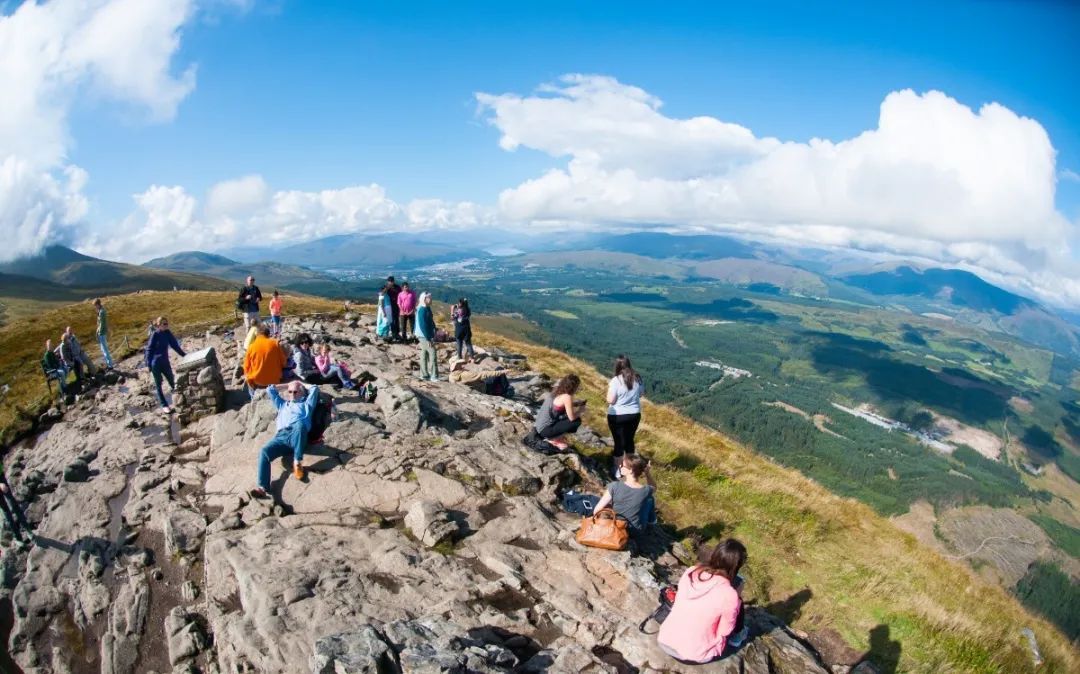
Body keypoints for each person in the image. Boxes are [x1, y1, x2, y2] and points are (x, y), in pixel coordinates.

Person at [657, 539, 749, 664]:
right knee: (738, 606)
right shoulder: (729, 594)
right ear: (736, 567)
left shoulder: (691, 572)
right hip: (693, 655)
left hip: (664, 640)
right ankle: (738, 637)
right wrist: (736, 600)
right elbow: (725, 631)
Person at [251, 380, 320, 498]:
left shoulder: (307, 404)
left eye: (295, 392)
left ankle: (297, 462)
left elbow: (314, 387)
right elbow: (270, 389)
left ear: (302, 393)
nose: (292, 394)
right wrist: (288, 385)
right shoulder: (282, 404)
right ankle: (263, 487)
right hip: (281, 437)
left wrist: (300, 383)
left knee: (299, 425)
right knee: (264, 452)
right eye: (290, 392)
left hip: (297, 434)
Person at [592, 455, 656, 533]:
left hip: (616, 526)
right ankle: (652, 523)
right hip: (635, 531)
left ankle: (651, 523)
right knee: (650, 499)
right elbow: (654, 487)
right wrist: (647, 473)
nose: (620, 466)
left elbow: (596, 511)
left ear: (631, 470)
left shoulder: (614, 486)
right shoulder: (646, 490)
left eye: (622, 465)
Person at [527, 374, 585, 450]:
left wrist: (575, 404)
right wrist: (581, 410)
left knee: (565, 417)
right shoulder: (567, 397)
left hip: (538, 427)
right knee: (576, 421)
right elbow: (572, 418)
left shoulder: (557, 391)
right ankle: (553, 439)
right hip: (545, 430)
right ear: (574, 387)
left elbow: (558, 404)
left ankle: (555, 437)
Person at [607, 354, 643, 478]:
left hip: (618, 416)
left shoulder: (616, 380)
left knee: (619, 442)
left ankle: (617, 469)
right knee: (629, 440)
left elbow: (611, 400)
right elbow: (641, 394)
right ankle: (629, 467)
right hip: (634, 414)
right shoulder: (637, 378)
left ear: (617, 366)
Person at [145, 317, 186, 414]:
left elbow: (175, 345)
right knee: (159, 385)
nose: (166, 325)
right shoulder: (155, 334)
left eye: (167, 323)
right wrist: (148, 365)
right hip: (155, 364)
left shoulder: (168, 333)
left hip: (165, 362)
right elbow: (149, 350)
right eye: (164, 324)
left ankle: (180, 400)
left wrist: (185, 355)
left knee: (172, 381)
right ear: (158, 325)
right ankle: (164, 405)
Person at [244, 324, 286, 397]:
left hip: (258, 381)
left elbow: (246, 367)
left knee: (249, 383)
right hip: (274, 380)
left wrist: (249, 381)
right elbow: (283, 363)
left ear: (257, 335)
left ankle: (254, 398)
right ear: (268, 334)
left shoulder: (251, 347)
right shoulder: (275, 343)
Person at [0, 458, 33, 544]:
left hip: (1, 476)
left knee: (13, 503)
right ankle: (18, 538)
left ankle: (28, 529)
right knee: (6, 511)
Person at [415, 292, 438, 381]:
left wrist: (434, 328)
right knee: (432, 353)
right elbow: (422, 325)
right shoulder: (422, 309)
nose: (431, 299)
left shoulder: (427, 308)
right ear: (424, 299)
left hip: (424, 334)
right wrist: (428, 338)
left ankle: (424, 374)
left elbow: (430, 320)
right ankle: (434, 376)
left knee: (424, 353)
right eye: (429, 298)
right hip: (423, 335)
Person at [94, 298, 114, 369]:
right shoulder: (100, 311)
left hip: (102, 333)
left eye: (95, 305)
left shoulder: (102, 312)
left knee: (105, 349)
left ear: (98, 304)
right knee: (103, 349)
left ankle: (110, 365)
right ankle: (109, 363)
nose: (95, 307)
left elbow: (102, 324)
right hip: (102, 332)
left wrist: (98, 332)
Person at [385, 276, 402, 342]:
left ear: (394, 281)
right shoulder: (386, 287)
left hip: (396, 305)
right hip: (389, 306)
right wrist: (387, 288)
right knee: (391, 319)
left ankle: (397, 333)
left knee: (396, 319)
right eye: (389, 281)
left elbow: (400, 295)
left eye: (392, 281)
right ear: (388, 281)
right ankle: (393, 333)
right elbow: (381, 293)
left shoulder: (398, 287)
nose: (391, 282)